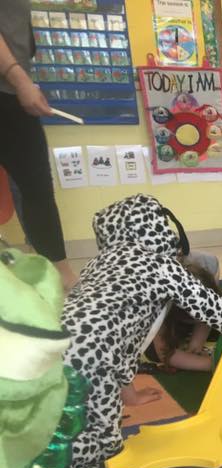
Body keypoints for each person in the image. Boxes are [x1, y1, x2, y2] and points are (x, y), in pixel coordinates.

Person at [62, 194, 222, 468]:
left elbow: (120, 347)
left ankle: (46, 446)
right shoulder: (160, 265)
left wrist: (131, 395)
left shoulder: (96, 264)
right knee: (99, 445)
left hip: (57, 338)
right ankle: (76, 464)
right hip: (90, 349)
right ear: (157, 228)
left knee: (63, 408)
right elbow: (206, 303)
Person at [0, 1, 77, 289]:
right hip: (8, 90)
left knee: (35, 188)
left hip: (11, 91)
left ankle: (57, 273)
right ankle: (60, 275)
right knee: (36, 187)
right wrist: (20, 80)